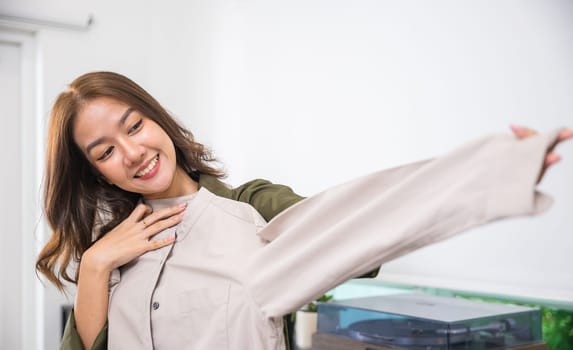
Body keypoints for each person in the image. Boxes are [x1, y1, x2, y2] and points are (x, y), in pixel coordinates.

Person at [36, 71, 572, 350]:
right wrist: (97, 267)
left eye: (134, 126)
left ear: (157, 120)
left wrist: (492, 171)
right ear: (94, 171)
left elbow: (365, 228)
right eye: (104, 150)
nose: (131, 152)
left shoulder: (255, 211)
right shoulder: (106, 250)